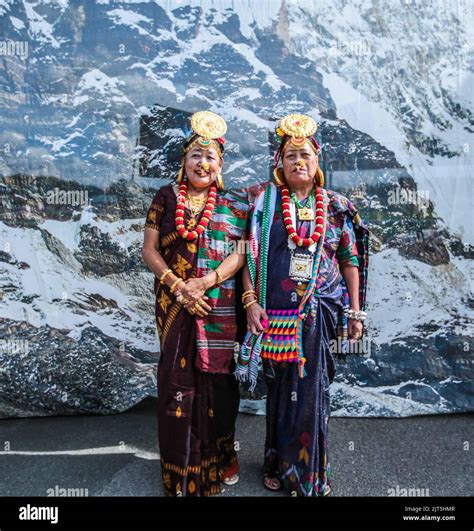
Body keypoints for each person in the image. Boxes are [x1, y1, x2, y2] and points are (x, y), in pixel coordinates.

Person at [235, 113, 369, 496]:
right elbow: (247, 255)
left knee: (313, 393)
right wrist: (249, 302)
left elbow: (350, 260)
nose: (298, 162)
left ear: (317, 161)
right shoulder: (264, 204)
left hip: (321, 312)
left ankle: (309, 474)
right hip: (274, 313)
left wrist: (356, 312)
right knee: (281, 393)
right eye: (291, 154)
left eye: (305, 155)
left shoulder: (337, 206)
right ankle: (276, 461)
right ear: (279, 161)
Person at [142, 111, 249, 496]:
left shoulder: (235, 205)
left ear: (220, 166)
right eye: (195, 155)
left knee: (217, 387)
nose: (202, 163)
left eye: (211, 157)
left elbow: (240, 254)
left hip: (216, 305)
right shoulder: (165, 198)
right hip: (173, 304)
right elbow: (149, 251)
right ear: (184, 161)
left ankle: (219, 460)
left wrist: (204, 282)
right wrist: (177, 285)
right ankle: (181, 470)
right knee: (176, 382)